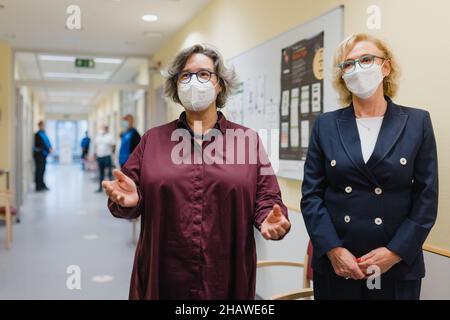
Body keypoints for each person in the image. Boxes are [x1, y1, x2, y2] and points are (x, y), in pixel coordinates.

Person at [102, 44, 291, 300]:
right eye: (186, 75)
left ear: (220, 84)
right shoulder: (152, 141)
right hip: (164, 274)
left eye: (204, 74)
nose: (194, 81)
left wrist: (270, 217)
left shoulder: (247, 141)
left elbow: (267, 198)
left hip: (226, 277)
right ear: (177, 86)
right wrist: (129, 202)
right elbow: (127, 196)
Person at [301, 33, 438, 300]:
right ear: (342, 75)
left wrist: (396, 251)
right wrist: (333, 250)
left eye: (366, 59)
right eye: (348, 64)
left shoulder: (417, 122)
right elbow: (312, 196)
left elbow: (426, 198)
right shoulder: (326, 125)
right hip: (339, 264)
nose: (357, 69)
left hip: (396, 264)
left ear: (385, 67)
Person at [94, 125, 115, 193]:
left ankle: (112, 189)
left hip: (107, 156)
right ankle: (100, 188)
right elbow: (96, 145)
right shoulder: (98, 136)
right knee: (101, 173)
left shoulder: (110, 136)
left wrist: (112, 154)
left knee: (109, 173)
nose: (103, 129)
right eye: (103, 128)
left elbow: (114, 145)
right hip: (100, 157)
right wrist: (95, 154)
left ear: (107, 129)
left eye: (105, 128)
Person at [33, 121, 53, 191]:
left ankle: (42, 184)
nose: (43, 127)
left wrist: (50, 148)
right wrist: (48, 149)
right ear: (39, 126)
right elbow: (42, 144)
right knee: (39, 171)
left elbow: (47, 142)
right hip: (39, 156)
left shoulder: (43, 134)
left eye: (44, 125)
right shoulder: (37, 135)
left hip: (43, 155)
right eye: (42, 125)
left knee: (42, 170)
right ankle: (38, 186)